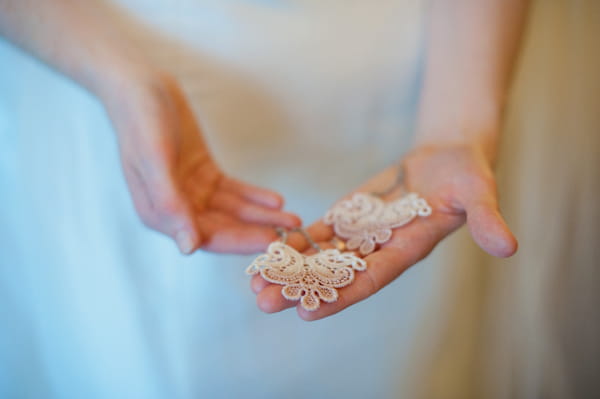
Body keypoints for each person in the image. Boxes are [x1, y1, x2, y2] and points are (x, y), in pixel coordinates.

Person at [1, 0, 597, 398]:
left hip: (418, 68)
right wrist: (114, 76)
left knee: (403, 356)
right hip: (101, 55)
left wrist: (454, 128)